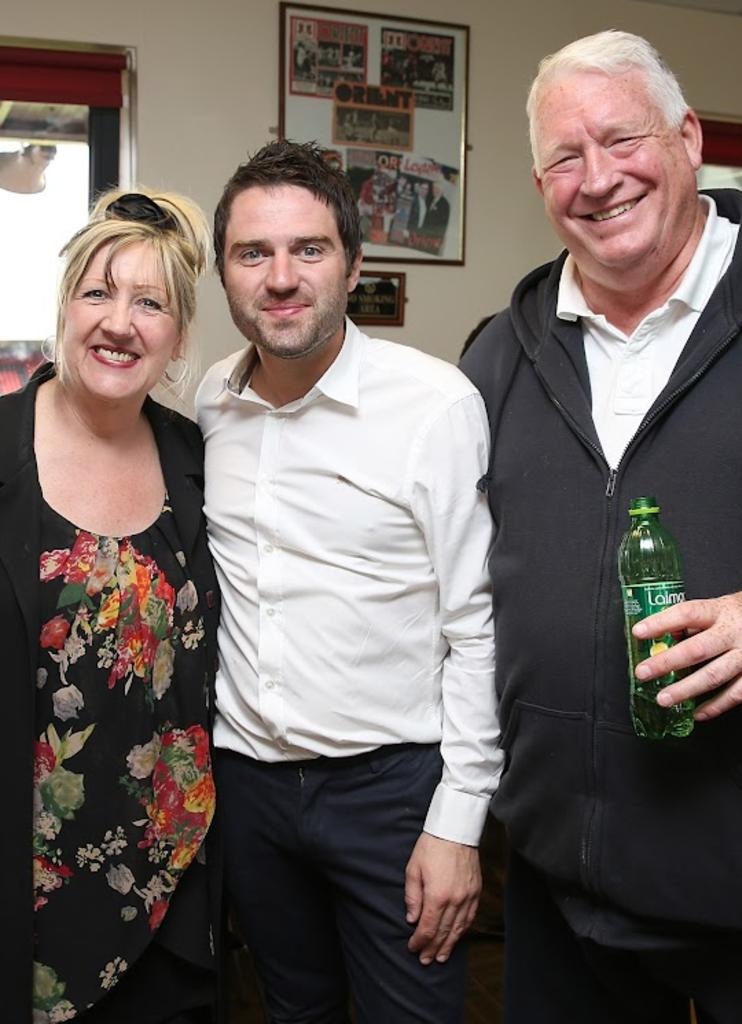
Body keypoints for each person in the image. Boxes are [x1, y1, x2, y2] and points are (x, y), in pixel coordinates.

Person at [461, 29, 742, 1024]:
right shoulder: (498, 356)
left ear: (687, 136)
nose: (597, 178)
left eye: (622, 138)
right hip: (558, 887)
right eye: (564, 156)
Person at [196, 139, 502, 1024]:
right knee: (292, 1011)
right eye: (254, 253)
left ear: (355, 263)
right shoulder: (213, 400)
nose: (281, 277)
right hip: (249, 784)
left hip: (392, 791)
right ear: (225, 274)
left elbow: (476, 626)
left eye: (309, 249)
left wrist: (458, 821)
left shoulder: (435, 406)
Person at [0, 188, 220, 1023]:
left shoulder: (199, 462)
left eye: (150, 302)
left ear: (177, 337)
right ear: (64, 305)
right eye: (98, 292)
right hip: (27, 893)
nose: (118, 323)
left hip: (174, 889)